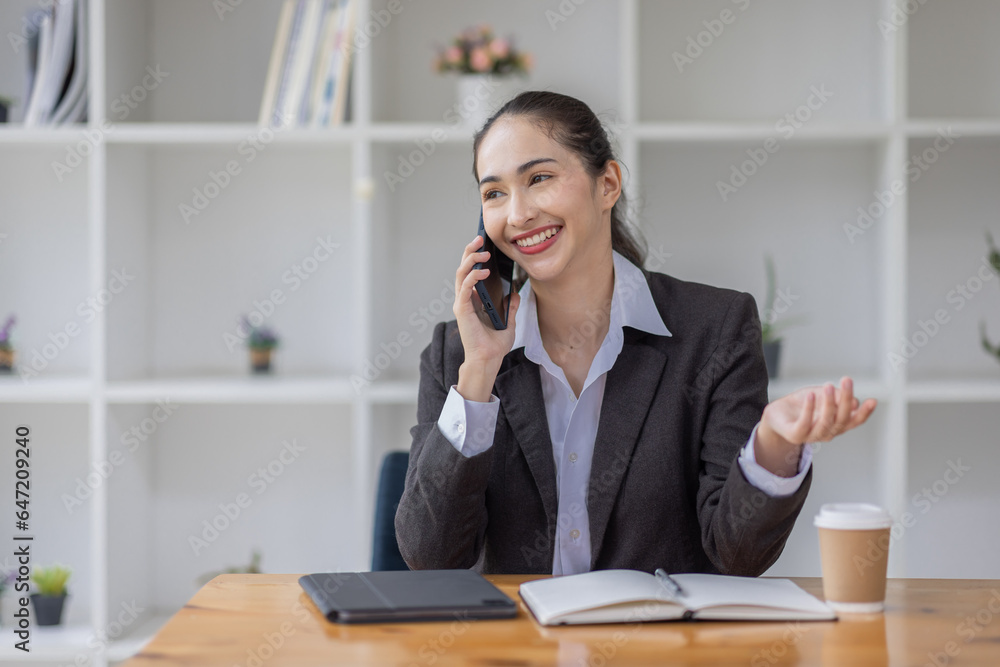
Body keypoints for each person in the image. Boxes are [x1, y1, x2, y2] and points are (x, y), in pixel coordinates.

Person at [394, 90, 877, 577]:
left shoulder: (714, 330)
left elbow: (738, 555)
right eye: (494, 193)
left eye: (539, 178)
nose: (517, 214)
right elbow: (432, 558)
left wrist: (773, 444)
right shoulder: (457, 354)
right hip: (519, 649)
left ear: (607, 184)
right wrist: (478, 373)